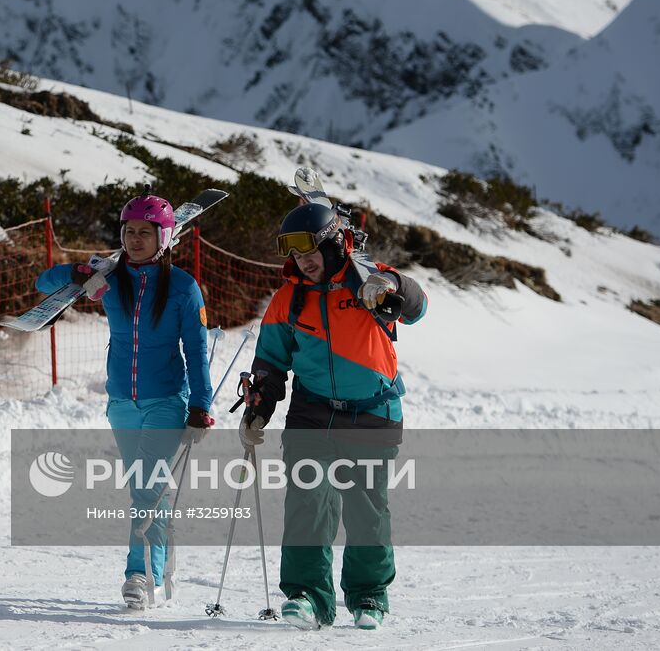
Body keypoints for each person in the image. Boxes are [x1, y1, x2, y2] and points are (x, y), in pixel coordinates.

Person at [240, 201, 427, 631]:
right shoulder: (289, 299)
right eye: (296, 256)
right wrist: (258, 409)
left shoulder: (371, 282)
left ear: (332, 245)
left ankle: (368, 597)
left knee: (367, 511)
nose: (303, 263)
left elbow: (417, 308)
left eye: (310, 253)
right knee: (309, 504)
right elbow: (270, 362)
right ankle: (308, 596)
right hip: (313, 413)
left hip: (373, 413)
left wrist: (393, 281)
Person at [35, 195, 213, 608]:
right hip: (121, 403)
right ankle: (161, 555)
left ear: (163, 237)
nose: (135, 240)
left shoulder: (184, 288)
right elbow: (45, 282)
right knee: (146, 488)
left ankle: (137, 573)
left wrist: (200, 406)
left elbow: (197, 351)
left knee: (146, 490)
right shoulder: (111, 277)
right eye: (129, 232)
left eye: (144, 233)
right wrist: (80, 273)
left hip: (167, 400)